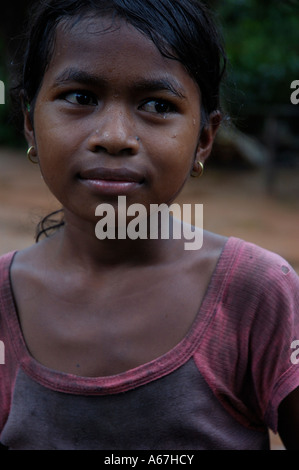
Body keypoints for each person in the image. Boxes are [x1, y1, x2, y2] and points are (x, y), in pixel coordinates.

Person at [0, 0, 298, 451]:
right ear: (29, 124)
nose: (115, 136)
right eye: (80, 97)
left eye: (157, 105)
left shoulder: (256, 290)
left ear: (204, 138)